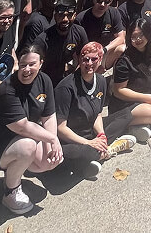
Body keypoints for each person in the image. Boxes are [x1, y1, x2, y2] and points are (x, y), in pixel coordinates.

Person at [0, 45, 63, 214]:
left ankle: (12, 173)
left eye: (32, 64)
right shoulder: (8, 91)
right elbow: (22, 126)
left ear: (41, 63)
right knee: (28, 145)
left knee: (47, 161)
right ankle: (10, 193)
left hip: (15, 141)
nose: (27, 70)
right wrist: (53, 139)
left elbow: (49, 115)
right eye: (23, 65)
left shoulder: (44, 81)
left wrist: (52, 145)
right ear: (18, 65)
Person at [53, 42, 137, 176]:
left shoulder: (101, 81)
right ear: (80, 60)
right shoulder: (66, 88)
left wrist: (101, 135)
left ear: (100, 60)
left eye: (94, 59)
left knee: (126, 115)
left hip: (90, 130)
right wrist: (89, 143)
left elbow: (98, 114)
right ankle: (106, 151)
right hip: (72, 139)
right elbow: (61, 128)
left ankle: (100, 152)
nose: (89, 63)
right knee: (79, 152)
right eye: (85, 59)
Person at [35, 0, 88, 83]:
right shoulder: (43, 40)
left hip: (70, 79)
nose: (65, 19)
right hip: (48, 80)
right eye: (61, 15)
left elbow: (86, 56)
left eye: (69, 15)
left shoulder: (79, 32)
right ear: (55, 16)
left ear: (75, 15)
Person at [79, 0, 126, 69]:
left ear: (111, 1)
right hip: (86, 54)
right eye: (99, 1)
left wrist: (104, 50)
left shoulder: (114, 13)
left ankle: (104, 69)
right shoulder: (81, 18)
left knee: (122, 48)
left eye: (107, 2)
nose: (103, 4)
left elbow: (121, 37)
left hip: (104, 52)